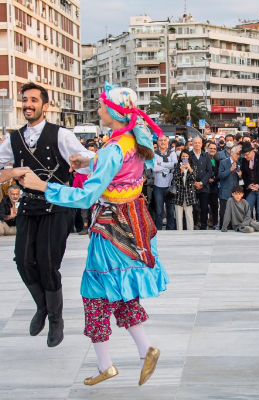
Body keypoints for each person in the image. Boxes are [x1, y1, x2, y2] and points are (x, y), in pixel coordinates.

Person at [19, 83, 169, 386]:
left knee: (94, 293)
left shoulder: (115, 147)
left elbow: (87, 197)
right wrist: (90, 161)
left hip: (111, 229)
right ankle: (140, 352)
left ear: (113, 112)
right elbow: (121, 172)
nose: (97, 109)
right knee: (120, 293)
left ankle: (109, 362)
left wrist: (41, 186)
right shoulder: (129, 141)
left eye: (101, 105)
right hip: (129, 223)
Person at [0, 82, 96, 347]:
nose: (28, 104)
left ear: (45, 105)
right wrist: (10, 173)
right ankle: (42, 306)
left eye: (33, 100)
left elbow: (87, 161)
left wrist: (83, 161)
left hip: (58, 206)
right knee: (22, 260)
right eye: (24, 100)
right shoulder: (14, 138)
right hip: (29, 207)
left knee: (46, 263)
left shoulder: (61, 135)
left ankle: (56, 319)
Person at [240, 142, 259, 223]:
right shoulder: (244, 160)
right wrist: (248, 185)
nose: (245, 157)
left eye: (247, 154)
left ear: (252, 151)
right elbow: (244, 175)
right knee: (248, 208)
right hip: (250, 189)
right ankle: (250, 224)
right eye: (244, 155)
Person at [152, 136, 177, 230]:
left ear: (168, 142)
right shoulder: (154, 154)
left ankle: (170, 229)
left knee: (170, 210)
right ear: (157, 142)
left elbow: (174, 165)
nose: (163, 142)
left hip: (169, 185)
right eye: (161, 140)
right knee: (159, 211)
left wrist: (161, 164)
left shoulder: (172, 153)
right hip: (158, 185)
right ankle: (158, 229)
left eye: (165, 140)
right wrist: (168, 167)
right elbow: (154, 168)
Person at [170, 149, 197, 231]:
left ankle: (190, 233)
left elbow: (194, 178)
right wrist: (181, 171)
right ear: (180, 157)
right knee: (178, 217)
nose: (185, 158)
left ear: (189, 157)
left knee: (189, 216)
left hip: (189, 194)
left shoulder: (193, 166)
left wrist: (190, 169)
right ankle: (179, 233)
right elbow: (175, 179)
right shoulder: (177, 166)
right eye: (183, 156)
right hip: (179, 194)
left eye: (186, 156)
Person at [189, 137, 212, 230]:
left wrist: (201, 183)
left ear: (202, 144)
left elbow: (209, 171)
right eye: (195, 143)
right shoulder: (189, 155)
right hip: (192, 185)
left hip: (204, 185)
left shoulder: (206, 155)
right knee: (192, 207)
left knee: (204, 207)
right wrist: (194, 182)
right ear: (192, 144)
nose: (197, 144)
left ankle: (203, 225)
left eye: (199, 143)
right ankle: (193, 224)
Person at [218, 145, 242, 229]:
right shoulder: (223, 162)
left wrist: (240, 176)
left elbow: (241, 180)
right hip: (225, 191)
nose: (238, 156)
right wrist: (230, 170)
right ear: (231, 153)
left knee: (234, 212)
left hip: (235, 193)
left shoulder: (239, 164)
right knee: (223, 212)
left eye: (239, 154)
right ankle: (223, 227)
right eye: (236, 154)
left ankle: (233, 227)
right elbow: (220, 175)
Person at [206, 142, 220, 229]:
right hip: (205, 186)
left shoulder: (218, 161)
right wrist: (207, 179)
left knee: (215, 206)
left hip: (214, 187)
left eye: (214, 149)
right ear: (207, 149)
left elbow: (219, 173)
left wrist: (214, 180)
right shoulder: (204, 159)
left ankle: (215, 223)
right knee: (203, 207)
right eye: (211, 148)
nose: (213, 150)